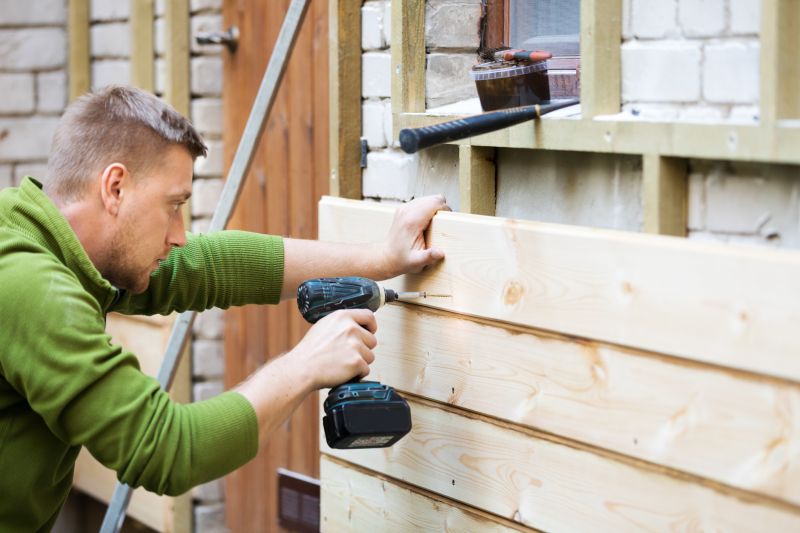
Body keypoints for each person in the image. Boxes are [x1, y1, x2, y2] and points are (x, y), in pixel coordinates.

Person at [0, 85, 448, 531]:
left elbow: (208, 265)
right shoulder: (26, 285)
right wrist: (305, 365)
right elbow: (164, 450)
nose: (178, 234)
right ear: (115, 187)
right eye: (173, 206)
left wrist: (383, 257)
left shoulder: (40, 235)